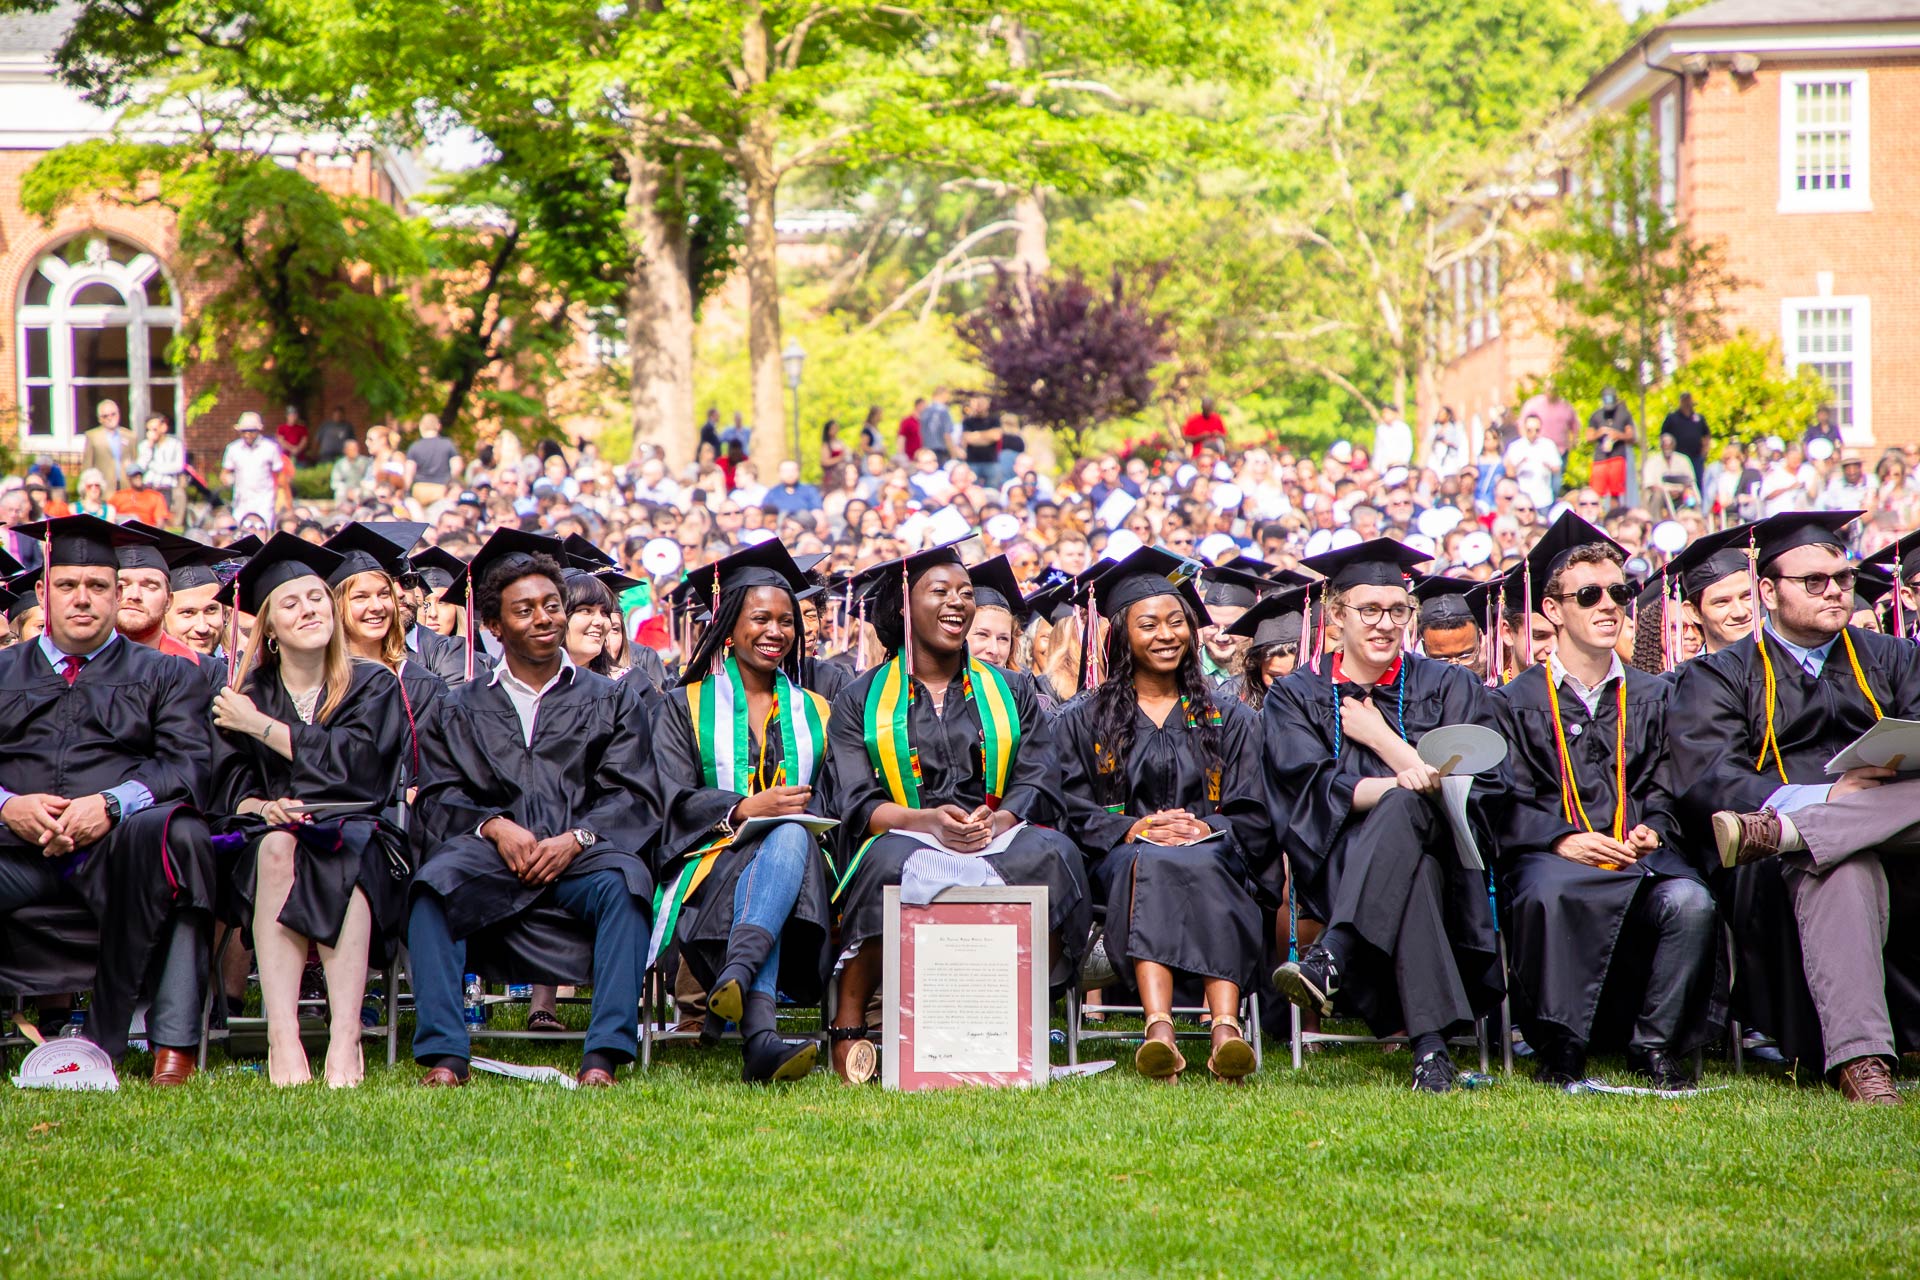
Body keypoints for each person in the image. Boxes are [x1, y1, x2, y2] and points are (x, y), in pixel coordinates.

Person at [1666, 512, 1920, 1103]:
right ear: (1767, 592)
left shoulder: (1894, 657)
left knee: (1827, 847)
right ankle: (1863, 1061)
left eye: (1843, 577)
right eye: (1814, 581)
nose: (1835, 590)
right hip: (1773, 871)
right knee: (1840, 866)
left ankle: (1791, 832)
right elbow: (1709, 776)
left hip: (1893, 828)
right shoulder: (1719, 675)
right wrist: (1826, 795)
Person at [822, 545, 1089, 1084]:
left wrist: (1002, 819)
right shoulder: (860, 698)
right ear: (904, 605)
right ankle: (849, 1025)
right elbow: (854, 799)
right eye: (939, 592)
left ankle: (1017, 1023)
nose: (957, 603)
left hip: (996, 831)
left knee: (1055, 854)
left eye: (965, 594)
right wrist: (925, 822)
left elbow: (1039, 774)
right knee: (885, 864)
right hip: (906, 831)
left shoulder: (1013, 689)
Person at [410, 531, 657, 1087]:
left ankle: (603, 1057)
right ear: (495, 627)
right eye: (525, 610)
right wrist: (496, 828)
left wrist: (576, 839)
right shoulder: (460, 704)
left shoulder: (612, 698)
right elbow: (439, 795)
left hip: (581, 859)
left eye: (552, 606)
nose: (545, 618)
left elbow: (634, 794)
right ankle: (447, 1056)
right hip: (493, 856)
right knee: (431, 888)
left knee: (628, 884)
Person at [1265, 537, 1508, 1093]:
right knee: (1408, 849)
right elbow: (1303, 789)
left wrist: (1385, 743)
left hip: (1450, 863)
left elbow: (1478, 791)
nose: (1384, 623)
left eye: (1397, 610)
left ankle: (1335, 955)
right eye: (1368, 610)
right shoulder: (1298, 695)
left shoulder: (1449, 684)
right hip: (1339, 864)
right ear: (1336, 617)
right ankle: (1430, 1052)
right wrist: (1399, 784)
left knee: (1415, 834)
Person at [1493, 516, 1721, 1089]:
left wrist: (1652, 829)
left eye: (1619, 593)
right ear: (1552, 609)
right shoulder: (1510, 702)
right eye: (1588, 595)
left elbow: (1670, 785)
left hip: (1638, 855)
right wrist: (1561, 838)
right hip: (1553, 858)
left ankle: (1654, 1046)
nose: (1608, 606)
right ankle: (1561, 1048)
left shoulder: (1656, 696)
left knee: (1690, 901)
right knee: (1548, 891)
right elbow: (1503, 798)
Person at [0, 516, 217, 1080]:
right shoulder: (2, 671)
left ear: (119, 595)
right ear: (43, 592)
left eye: (98, 586)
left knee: (183, 838)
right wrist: (7, 805)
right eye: (68, 585)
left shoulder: (165, 674)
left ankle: (171, 1046)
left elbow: (187, 765)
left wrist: (112, 804)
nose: (82, 599)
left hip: (116, 852)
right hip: (12, 848)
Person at [1054, 549, 1266, 1081]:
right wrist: (1135, 827)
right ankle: (1161, 1029)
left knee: (1206, 857)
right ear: (1123, 636)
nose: (1166, 634)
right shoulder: (1084, 718)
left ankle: (1223, 1030)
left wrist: (1205, 827)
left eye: (1177, 622)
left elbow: (1254, 811)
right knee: (1148, 860)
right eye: (1148, 624)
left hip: (1215, 853)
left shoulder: (1228, 716)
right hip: (1123, 859)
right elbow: (1066, 806)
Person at [209, 534, 409, 1087]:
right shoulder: (248, 690)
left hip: (359, 828)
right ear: (268, 627)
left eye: (318, 598)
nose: (310, 610)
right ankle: (284, 1036)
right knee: (279, 846)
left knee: (338, 850)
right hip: (268, 839)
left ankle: (346, 1037)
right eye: (291, 603)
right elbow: (229, 791)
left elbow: (360, 771)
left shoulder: (371, 684)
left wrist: (261, 727)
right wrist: (264, 807)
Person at [647, 542, 832, 1082]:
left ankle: (737, 972)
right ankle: (761, 1039)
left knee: (791, 836)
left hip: (802, 878)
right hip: (708, 861)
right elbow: (668, 798)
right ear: (730, 625)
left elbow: (833, 798)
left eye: (786, 621)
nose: (776, 631)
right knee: (784, 839)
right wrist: (743, 810)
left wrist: (783, 817)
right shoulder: (681, 705)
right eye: (761, 619)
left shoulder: (817, 711)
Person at [1412, 576, 1487, 680]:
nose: (1455, 668)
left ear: (1480, 639)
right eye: (1441, 659)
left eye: (1465, 655)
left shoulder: (1499, 691)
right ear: (1425, 648)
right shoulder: (1413, 692)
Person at [222, 412, 286, 526]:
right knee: (241, 536)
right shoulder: (233, 449)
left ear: (258, 430)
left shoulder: (270, 448)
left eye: (251, 431)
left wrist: (281, 498)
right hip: (241, 501)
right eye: (244, 431)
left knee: (263, 534)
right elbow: (225, 473)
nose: (247, 434)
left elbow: (280, 475)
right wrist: (227, 480)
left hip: (264, 501)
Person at [1586, 389, 1636, 509]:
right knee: (1596, 492)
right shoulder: (1596, 415)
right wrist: (1600, 432)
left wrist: (1618, 435)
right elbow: (1588, 437)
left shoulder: (1624, 414)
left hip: (1617, 457)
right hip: (1600, 458)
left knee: (1615, 493)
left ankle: (1613, 516)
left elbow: (1631, 436)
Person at [1503, 413, 1562, 512]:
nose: (1533, 433)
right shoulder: (1515, 446)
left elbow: (1557, 468)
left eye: (1537, 430)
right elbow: (1509, 473)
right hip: (1522, 500)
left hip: (1544, 499)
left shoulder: (1548, 445)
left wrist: (1548, 466)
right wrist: (1520, 464)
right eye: (1529, 430)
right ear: (1524, 429)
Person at [78, 399, 137, 495]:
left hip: (126, 487)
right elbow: (87, 466)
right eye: (105, 416)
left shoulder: (130, 436)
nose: (110, 418)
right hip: (104, 489)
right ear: (100, 419)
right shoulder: (92, 436)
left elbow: (135, 461)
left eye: (113, 414)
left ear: (118, 415)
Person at [404, 414, 461, 509]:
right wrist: (451, 483)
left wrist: (405, 491)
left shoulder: (414, 446)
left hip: (420, 489)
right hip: (441, 488)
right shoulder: (448, 444)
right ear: (438, 426)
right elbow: (457, 466)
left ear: (421, 427)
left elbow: (409, 473)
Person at [1660, 393, 1708, 491]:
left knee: (1697, 483)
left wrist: (1704, 452)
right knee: (1678, 483)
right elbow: (1663, 436)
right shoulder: (1672, 418)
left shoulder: (1698, 418)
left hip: (1696, 457)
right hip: (1678, 457)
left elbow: (1706, 435)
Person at [960, 394, 1003, 488]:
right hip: (973, 461)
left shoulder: (994, 420)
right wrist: (988, 437)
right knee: (971, 487)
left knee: (992, 489)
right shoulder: (968, 421)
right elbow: (968, 438)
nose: (979, 406)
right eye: (978, 403)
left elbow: (996, 436)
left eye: (982, 403)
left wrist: (976, 435)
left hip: (991, 461)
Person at [921, 389, 956, 466]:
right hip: (940, 453)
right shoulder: (943, 411)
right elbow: (947, 435)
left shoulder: (925, 411)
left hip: (926, 453)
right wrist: (953, 453)